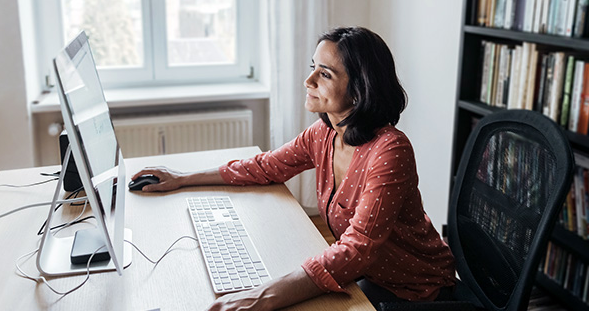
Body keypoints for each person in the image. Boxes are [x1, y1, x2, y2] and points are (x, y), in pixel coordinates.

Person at [132, 26, 456, 310]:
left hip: (415, 290)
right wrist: (182, 178)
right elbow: (265, 167)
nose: (308, 80)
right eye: (313, 67)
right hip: (369, 275)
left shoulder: (390, 151)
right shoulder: (325, 132)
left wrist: (261, 297)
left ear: (359, 91)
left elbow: (357, 250)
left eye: (325, 74)